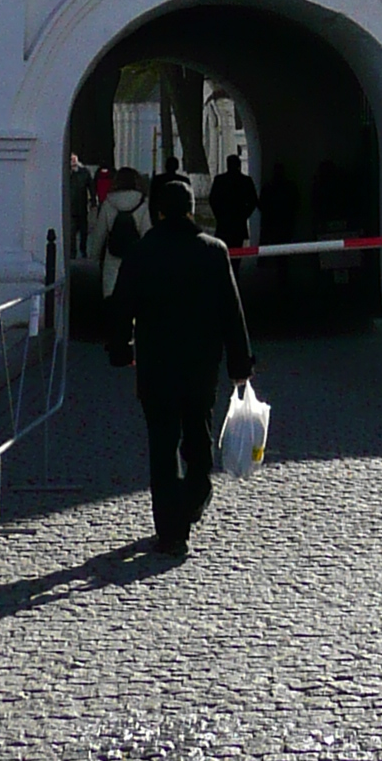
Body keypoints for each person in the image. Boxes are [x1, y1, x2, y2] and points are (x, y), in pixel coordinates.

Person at [104, 171, 256, 557]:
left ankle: (171, 532)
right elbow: (231, 313)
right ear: (191, 211)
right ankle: (196, 492)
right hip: (200, 365)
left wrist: (120, 348)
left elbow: (122, 306)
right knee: (198, 438)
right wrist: (241, 362)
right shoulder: (213, 251)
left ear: (156, 211)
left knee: (162, 444)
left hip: (156, 364)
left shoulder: (142, 252)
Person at [86, 165, 150, 309]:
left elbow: (99, 234)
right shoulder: (143, 204)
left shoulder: (108, 203)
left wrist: (94, 257)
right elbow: (147, 234)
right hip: (137, 260)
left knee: (113, 302)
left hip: (113, 258)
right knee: (135, 301)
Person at [208, 147, 258, 254]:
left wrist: (219, 215)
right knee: (237, 251)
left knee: (223, 251)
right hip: (238, 223)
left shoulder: (220, 180)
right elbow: (253, 201)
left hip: (224, 222)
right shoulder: (245, 181)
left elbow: (212, 199)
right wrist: (244, 214)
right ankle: (235, 270)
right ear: (239, 165)